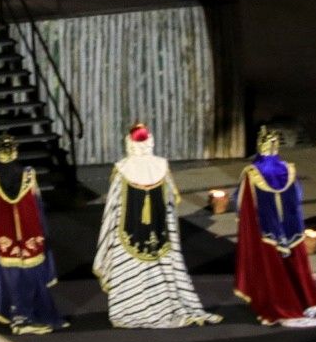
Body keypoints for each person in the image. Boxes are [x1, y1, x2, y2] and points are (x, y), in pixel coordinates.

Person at [92, 124, 221, 328]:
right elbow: (169, 203)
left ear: (130, 142)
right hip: (158, 234)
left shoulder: (122, 169)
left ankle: (131, 308)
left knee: (131, 270)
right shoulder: (161, 167)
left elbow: (114, 207)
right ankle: (162, 302)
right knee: (159, 268)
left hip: (129, 236)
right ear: (149, 141)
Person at [233, 127, 316, 326]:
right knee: (297, 268)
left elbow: (242, 205)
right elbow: (297, 197)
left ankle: (286, 309)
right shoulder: (288, 169)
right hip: (292, 229)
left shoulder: (252, 173)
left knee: (274, 273)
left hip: (267, 233)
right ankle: (307, 303)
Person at [0, 133, 65, 334]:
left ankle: (19, 315)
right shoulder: (29, 176)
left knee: (13, 279)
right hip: (30, 237)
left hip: (5, 241)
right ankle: (24, 319)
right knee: (31, 278)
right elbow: (38, 207)